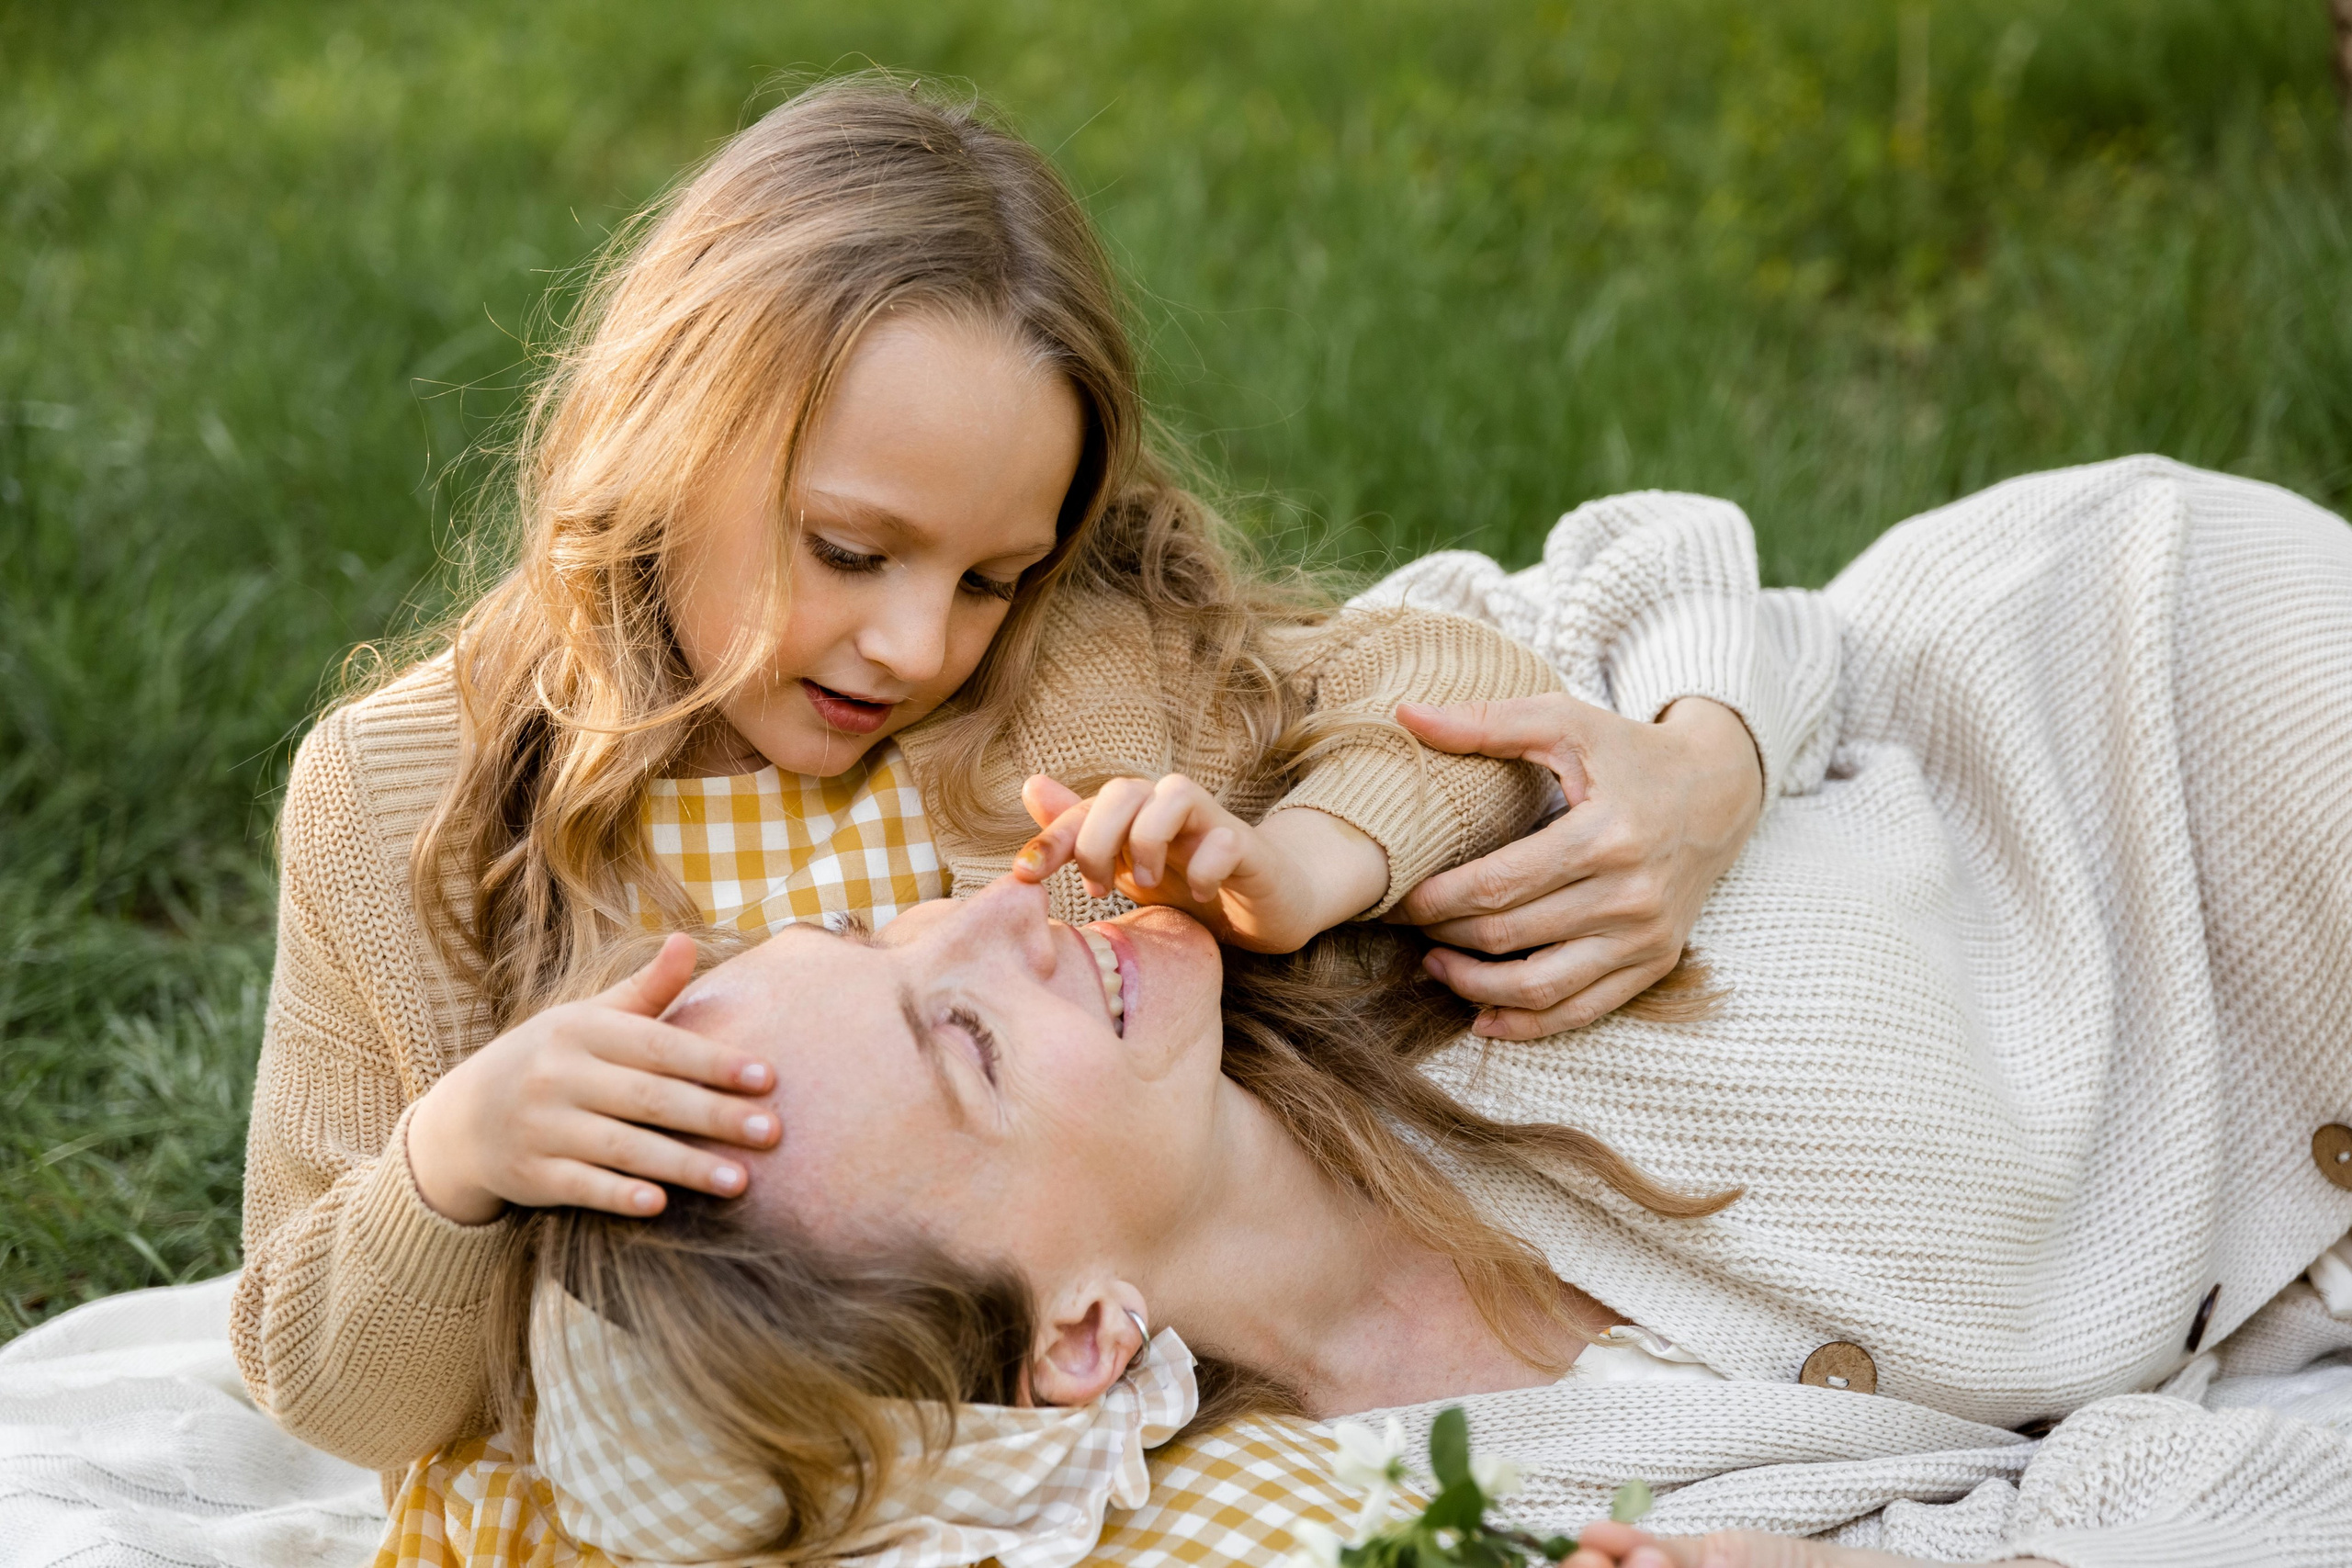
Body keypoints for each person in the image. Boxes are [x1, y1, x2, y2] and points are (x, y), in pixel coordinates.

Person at [234, 74, 1769, 1472]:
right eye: (851, 550)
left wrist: (1306, 854)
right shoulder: (407, 798)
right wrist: (453, 1167)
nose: (916, 643)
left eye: (991, 575)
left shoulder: (1086, 672)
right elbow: (327, 1388)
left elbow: (1457, 677)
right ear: (664, 432)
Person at [480, 457, 2352, 1568]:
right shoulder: (1455, 1488)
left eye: (895, 928)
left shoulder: (1304, 871)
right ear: (1078, 1341)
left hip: (2177, 735)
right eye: (959, 1043)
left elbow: (1651, 570)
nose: (996, 918)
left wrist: (1695, 761)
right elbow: (2197, 1488)